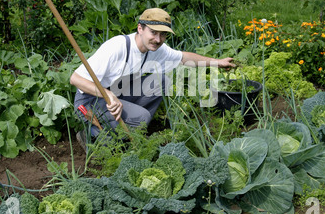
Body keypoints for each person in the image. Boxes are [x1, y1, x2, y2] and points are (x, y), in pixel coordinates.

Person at [70, 8, 235, 148]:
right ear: (140, 28)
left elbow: (183, 57)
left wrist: (217, 63)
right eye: (153, 32)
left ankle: (131, 131)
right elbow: (76, 79)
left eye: (163, 35)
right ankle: (93, 134)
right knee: (141, 118)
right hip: (89, 101)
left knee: (162, 81)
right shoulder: (117, 47)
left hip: (117, 94)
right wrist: (109, 95)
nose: (158, 39)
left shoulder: (155, 48)